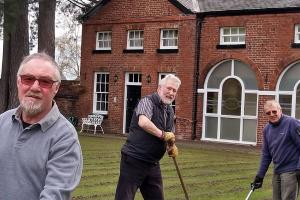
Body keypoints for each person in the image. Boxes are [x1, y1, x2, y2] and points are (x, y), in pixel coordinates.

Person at [0, 52, 83, 199]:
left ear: (56, 88)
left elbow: (54, 195)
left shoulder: (65, 138)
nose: (35, 87)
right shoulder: (3, 121)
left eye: (45, 82)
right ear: (18, 82)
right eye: (28, 79)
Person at [115, 74, 181, 200]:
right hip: (134, 159)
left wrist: (171, 147)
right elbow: (143, 122)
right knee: (124, 197)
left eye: (174, 90)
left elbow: (169, 135)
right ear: (160, 87)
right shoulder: (147, 101)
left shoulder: (170, 111)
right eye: (169, 88)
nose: (171, 93)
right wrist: (163, 135)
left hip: (152, 163)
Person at [251, 100, 300, 200]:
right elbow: (266, 155)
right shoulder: (266, 129)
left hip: (291, 169)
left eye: (274, 111)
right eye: (268, 113)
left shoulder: (292, 123)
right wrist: (260, 176)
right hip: (277, 170)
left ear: (280, 110)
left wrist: (299, 168)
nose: (272, 114)